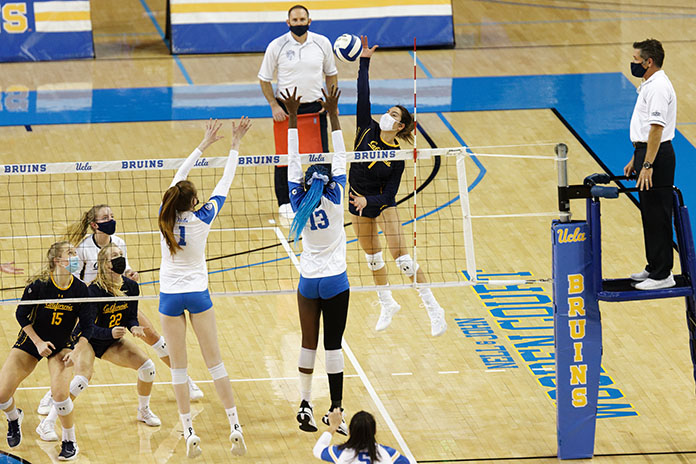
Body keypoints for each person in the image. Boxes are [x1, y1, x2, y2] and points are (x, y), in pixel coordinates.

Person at [36, 206, 203, 417]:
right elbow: (73, 278)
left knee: (151, 333)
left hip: (116, 297)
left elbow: (123, 268)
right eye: (105, 217)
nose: (111, 219)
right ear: (94, 225)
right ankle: (52, 395)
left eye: (112, 216)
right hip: (90, 304)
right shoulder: (84, 248)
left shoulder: (118, 242)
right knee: (73, 355)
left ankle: (184, 379)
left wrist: (130, 273)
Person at [158, 118, 250, 458]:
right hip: (198, 294)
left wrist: (202, 144)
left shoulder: (164, 217)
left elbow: (178, 177)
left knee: (180, 369)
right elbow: (225, 182)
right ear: (195, 201)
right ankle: (235, 426)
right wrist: (234, 144)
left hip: (170, 296)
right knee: (216, 365)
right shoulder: (203, 217)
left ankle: (188, 431)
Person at [348, 36, 447, 337]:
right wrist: (364, 62)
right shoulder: (366, 127)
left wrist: (368, 202)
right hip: (356, 199)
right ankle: (387, 303)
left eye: (393, 115)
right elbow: (362, 93)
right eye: (388, 111)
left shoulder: (398, 159)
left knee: (401, 259)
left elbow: (390, 195)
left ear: (401, 126)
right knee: (372, 258)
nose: (387, 115)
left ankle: (433, 308)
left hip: (379, 203)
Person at [36, 243, 161, 443]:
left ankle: (143, 410)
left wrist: (134, 327)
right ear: (105, 264)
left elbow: (130, 316)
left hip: (111, 341)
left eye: (121, 254)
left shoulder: (131, 286)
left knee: (148, 368)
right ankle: (47, 423)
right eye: (114, 256)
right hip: (87, 339)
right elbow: (88, 327)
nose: (120, 258)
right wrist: (110, 332)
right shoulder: (94, 292)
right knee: (82, 379)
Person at [281, 86, 350, 435]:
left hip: (308, 281)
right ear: (328, 181)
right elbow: (340, 154)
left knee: (308, 343)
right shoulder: (336, 195)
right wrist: (333, 113)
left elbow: (292, 160)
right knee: (333, 345)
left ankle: (305, 404)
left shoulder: (297, 200)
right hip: (335, 280)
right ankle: (336, 410)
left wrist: (293, 117)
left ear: (306, 184)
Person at [0, 241, 92, 460]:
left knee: (60, 396)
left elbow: (88, 326)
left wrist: (76, 351)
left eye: (75, 252)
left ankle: (69, 441)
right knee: (2, 394)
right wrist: (38, 342)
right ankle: (14, 418)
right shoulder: (39, 285)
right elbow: (21, 315)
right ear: (57, 260)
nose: (75, 256)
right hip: (33, 340)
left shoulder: (81, 290)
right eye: (70, 253)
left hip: (62, 345)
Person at [258, 4, 338, 219]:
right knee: (284, 156)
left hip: (314, 108)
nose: (299, 23)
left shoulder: (322, 43)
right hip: (286, 109)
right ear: (288, 22)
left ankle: (321, 197)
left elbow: (331, 73)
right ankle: (285, 202)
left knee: (320, 154)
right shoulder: (277, 45)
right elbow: (264, 79)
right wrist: (274, 105)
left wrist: (330, 102)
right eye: (295, 20)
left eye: (302, 20)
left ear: (309, 21)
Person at [624, 38, 677, 291]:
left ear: (649, 61)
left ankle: (663, 273)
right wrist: (636, 156)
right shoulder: (649, 84)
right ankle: (654, 265)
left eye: (636, 59)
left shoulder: (658, 88)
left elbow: (657, 129)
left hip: (657, 157)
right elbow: (645, 128)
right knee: (649, 214)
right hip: (647, 152)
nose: (632, 63)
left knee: (658, 214)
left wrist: (647, 164)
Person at [313, 409, 410, 463]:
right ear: (374, 431)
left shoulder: (340, 453)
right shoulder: (388, 453)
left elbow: (318, 449)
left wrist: (333, 426)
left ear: (350, 431)